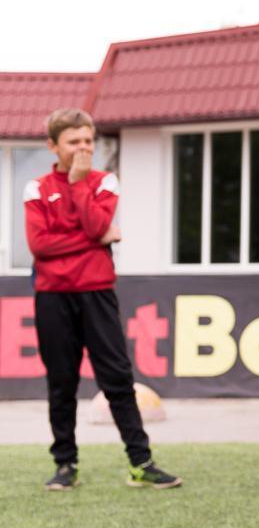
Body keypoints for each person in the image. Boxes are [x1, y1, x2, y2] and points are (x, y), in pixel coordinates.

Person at [24, 108, 181, 491]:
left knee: (117, 379)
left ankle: (141, 463)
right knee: (61, 383)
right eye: (73, 142)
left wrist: (79, 185)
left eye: (88, 141)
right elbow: (40, 246)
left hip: (97, 293)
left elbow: (95, 224)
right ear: (53, 145)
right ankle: (66, 465)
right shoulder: (36, 188)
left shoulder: (104, 181)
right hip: (53, 297)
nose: (83, 148)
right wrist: (94, 239)